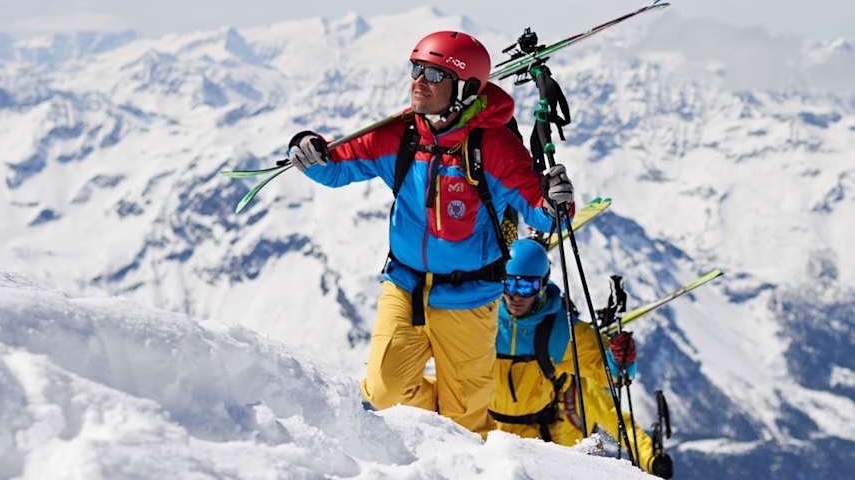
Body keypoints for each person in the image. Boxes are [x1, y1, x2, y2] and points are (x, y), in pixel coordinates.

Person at [287, 30, 576, 435]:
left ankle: (451, 440)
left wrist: (555, 202)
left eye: (435, 74)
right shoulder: (400, 135)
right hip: (405, 286)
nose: (419, 81)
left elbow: (540, 212)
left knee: (465, 420)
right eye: (416, 69)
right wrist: (307, 148)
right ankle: (432, 422)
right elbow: (336, 167)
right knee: (383, 393)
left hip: (470, 297)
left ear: (465, 89)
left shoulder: (493, 147)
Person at [490, 239, 674, 478]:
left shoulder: (559, 332)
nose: (515, 296)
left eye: (526, 287)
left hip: (538, 444)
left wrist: (620, 362)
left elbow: (608, 377)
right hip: (486, 432)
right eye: (509, 285)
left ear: (542, 286)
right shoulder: (484, 316)